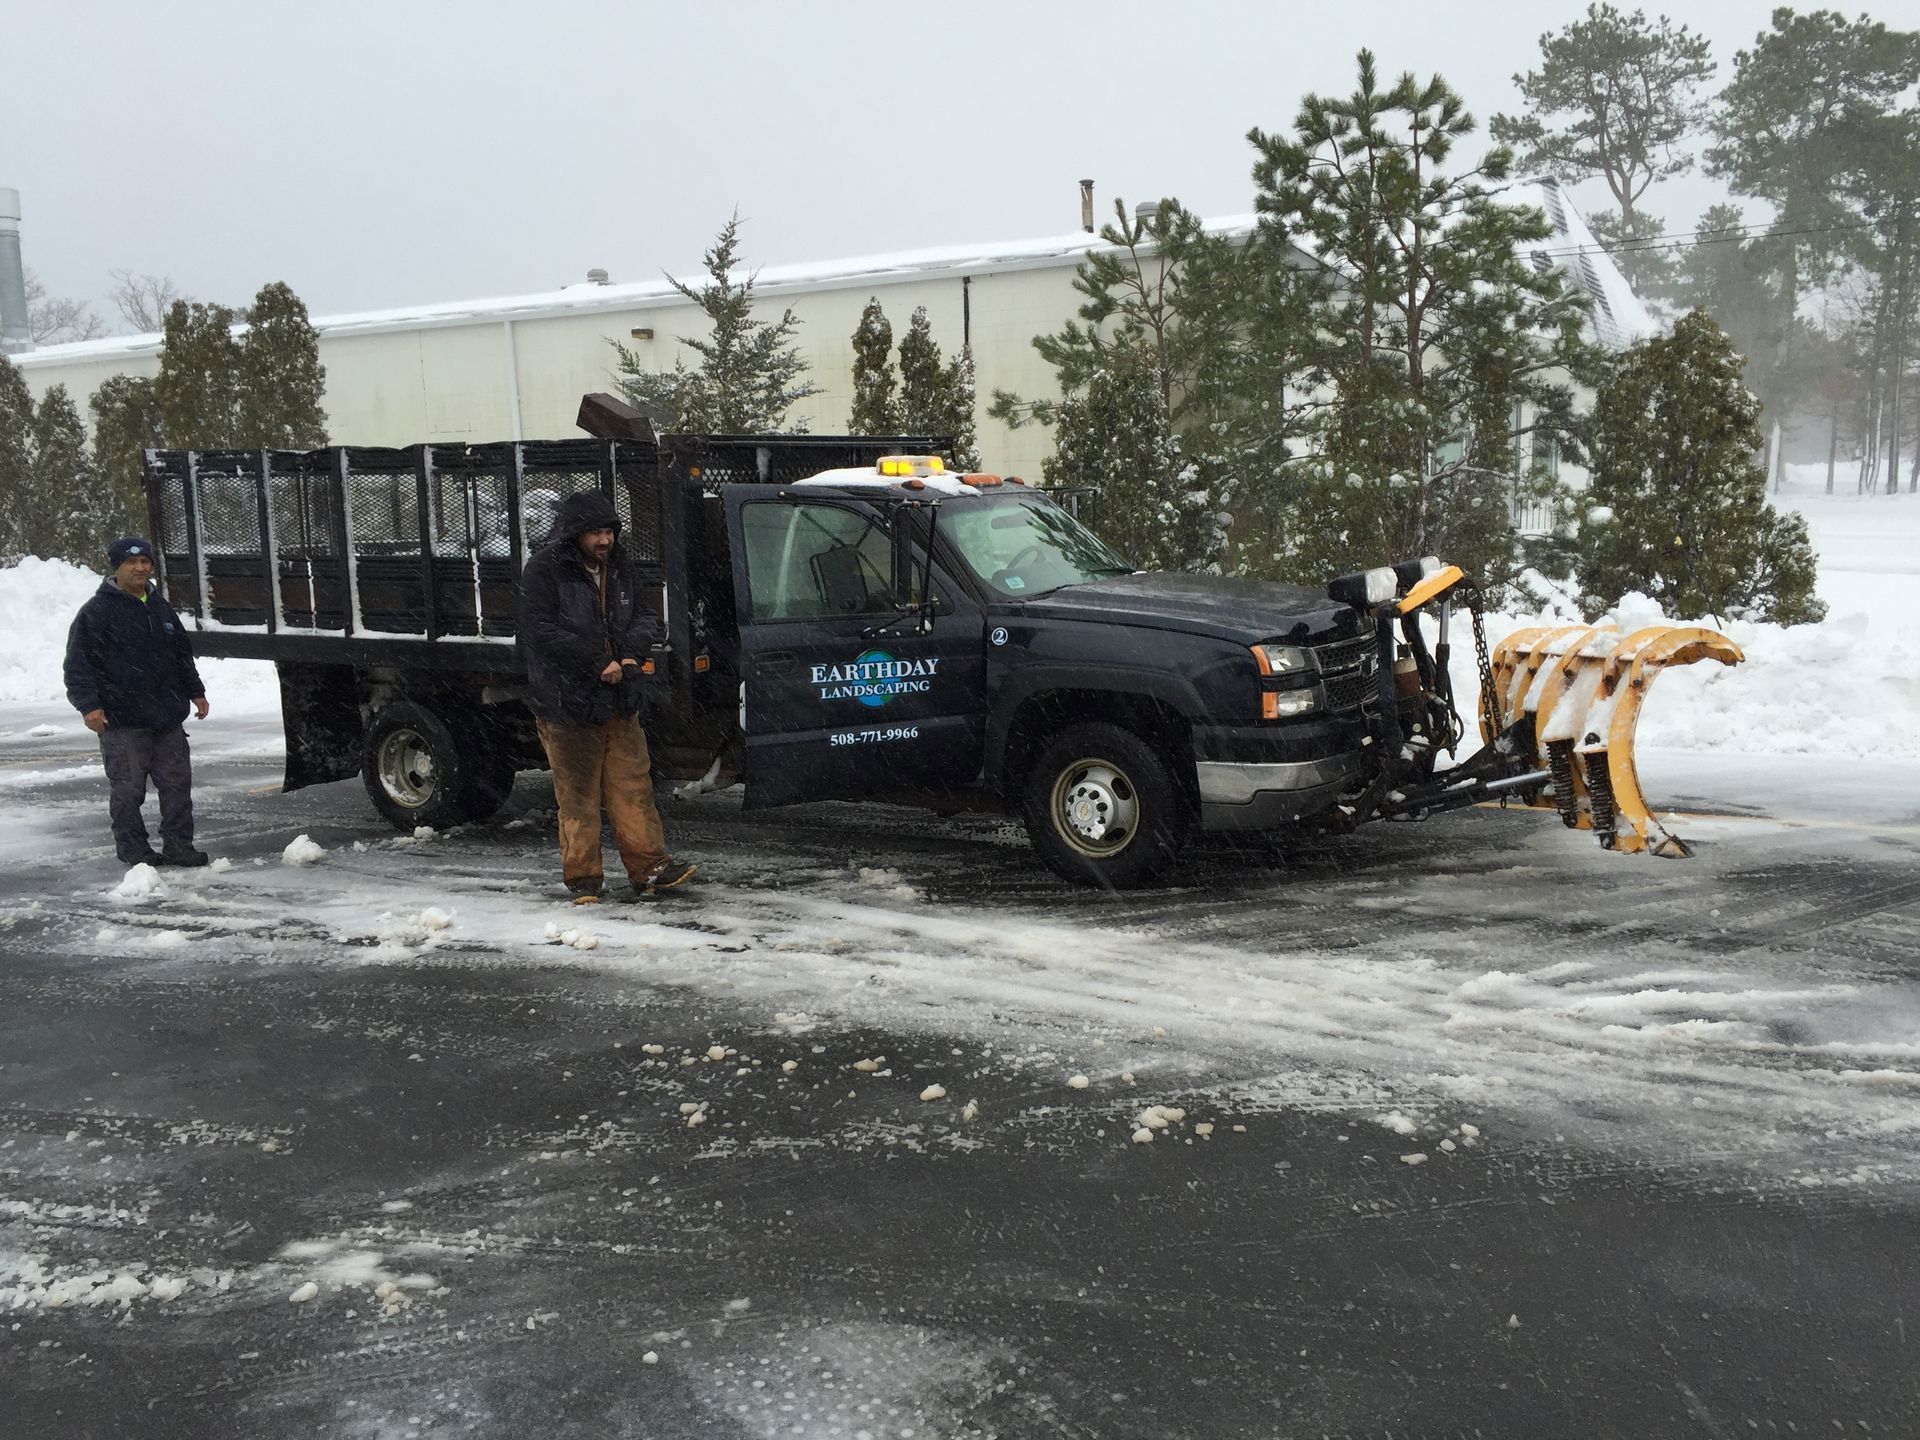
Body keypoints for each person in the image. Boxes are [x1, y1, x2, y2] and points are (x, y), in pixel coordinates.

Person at [518, 492, 695, 904]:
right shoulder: (544, 571)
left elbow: (645, 617)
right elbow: (538, 631)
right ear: (574, 534)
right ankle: (584, 881)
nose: (605, 540)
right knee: (578, 796)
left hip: (619, 700)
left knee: (633, 787)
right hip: (567, 703)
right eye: (596, 532)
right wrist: (597, 662)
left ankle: (651, 869)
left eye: (609, 531)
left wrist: (630, 655)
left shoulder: (620, 568)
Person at [62, 536, 211, 868]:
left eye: (145, 561)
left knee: (177, 787)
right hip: (123, 720)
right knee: (128, 790)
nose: (140, 568)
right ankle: (133, 849)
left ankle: (179, 846)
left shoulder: (160, 606)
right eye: (132, 562)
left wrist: (196, 692)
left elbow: (181, 655)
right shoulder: (97, 612)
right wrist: (89, 706)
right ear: (117, 567)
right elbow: (78, 665)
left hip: (167, 718)